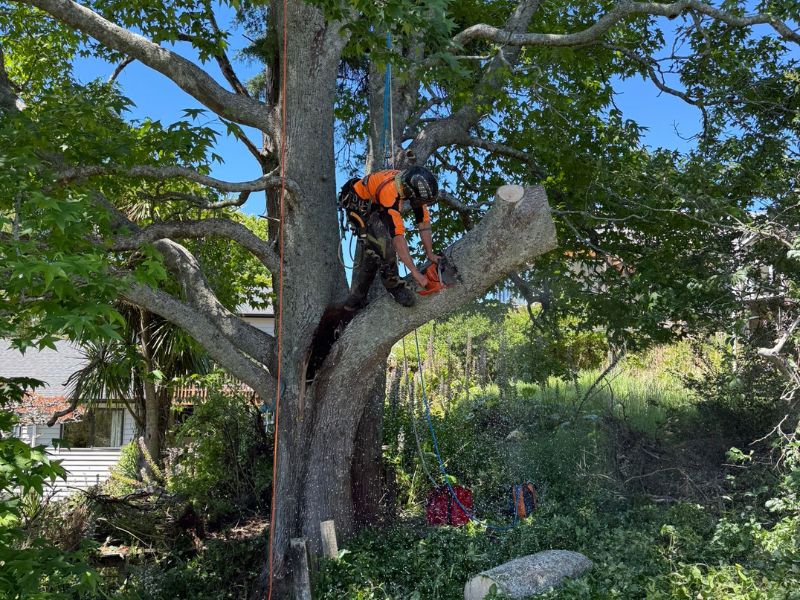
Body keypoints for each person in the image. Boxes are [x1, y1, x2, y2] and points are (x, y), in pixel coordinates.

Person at [340, 165, 441, 308]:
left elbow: (424, 223)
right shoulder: (389, 191)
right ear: (409, 191)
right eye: (417, 200)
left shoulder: (410, 185)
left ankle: (356, 299)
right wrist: (415, 272)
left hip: (375, 203)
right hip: (358, 204)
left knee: (374, 255)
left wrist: (430, 254)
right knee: (385, 246)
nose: (418, 204)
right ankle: (394, 287)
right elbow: (398, 238)